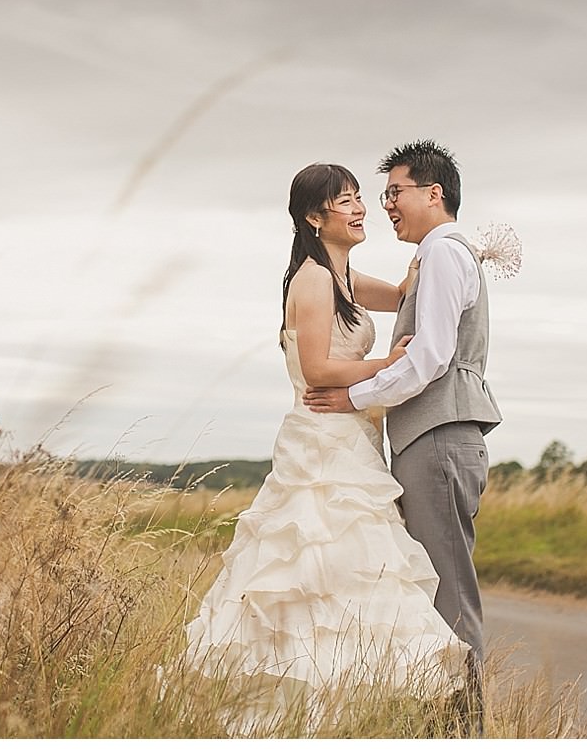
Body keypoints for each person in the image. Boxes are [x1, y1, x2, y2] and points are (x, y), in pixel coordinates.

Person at [178, 162, 469, 735]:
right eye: (348, 200)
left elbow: (403, 296)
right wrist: (387, 364)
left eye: (363, 197)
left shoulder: (344, 275)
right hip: (321, 440)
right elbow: (316, 369)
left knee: (355, 570)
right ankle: (296, 703)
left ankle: (347, 709)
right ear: (315, 217)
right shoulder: (312, 278)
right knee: (312, 562)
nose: (362, 208)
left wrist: (443, 250)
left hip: (354, 439)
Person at [304, 139, 502, 736]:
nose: (385, 205)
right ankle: (438, 724)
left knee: (446, 588)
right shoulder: (435, 256)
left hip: (441, 434)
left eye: (394, 192)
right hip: (431, 436)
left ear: (432, 193)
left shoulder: (444, 253)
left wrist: (355, 397)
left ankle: (461, 731)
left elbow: (430, 357)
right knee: (432, 582)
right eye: (379, 195)